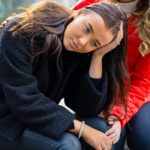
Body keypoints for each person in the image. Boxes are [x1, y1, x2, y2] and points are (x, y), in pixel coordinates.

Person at [0, 0, 128, 150]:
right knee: (68, 144)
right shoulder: (20, 31)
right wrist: (82, 129)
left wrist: (98, 56)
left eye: (94, 43)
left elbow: (87, 108)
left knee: (104, 131)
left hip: (35, 118)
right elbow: (23, 99)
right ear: (79, 13)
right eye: (87, 29)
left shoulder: (78, 52)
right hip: (7, 120)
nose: (82, 41)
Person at [73, 0, 150, 149]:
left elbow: (143, 81)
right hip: (98, 91)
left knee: (144, 136)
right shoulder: (92, 4)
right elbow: (64, 24)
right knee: (110, 138)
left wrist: (119, 114)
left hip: (134, 95)